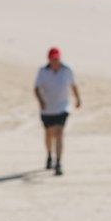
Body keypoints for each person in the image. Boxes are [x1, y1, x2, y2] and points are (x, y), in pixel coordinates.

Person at [34, 47, 81, 176]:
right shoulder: (43, 71)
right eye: (53, 58)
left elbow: (73, 85)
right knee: (49, 134)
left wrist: (78, 99)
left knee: (59, 133)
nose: (55, 61)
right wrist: (41, 101)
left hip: (62, 107)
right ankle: (49, 155)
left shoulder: (67, 70)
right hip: (47, 109)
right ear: (49, 59)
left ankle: (58, 162)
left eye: (57, 58)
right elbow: (36, 88)